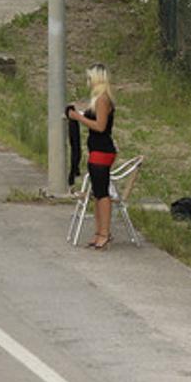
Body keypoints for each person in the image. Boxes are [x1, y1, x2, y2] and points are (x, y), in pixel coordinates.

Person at [67, 64, 117, 250]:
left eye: (90, 78)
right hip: (97, 150)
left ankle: (104, 232)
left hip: (102, 151)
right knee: (97, 192)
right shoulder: (98, 99)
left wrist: (79, 119)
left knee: (102, 193)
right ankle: (99, 231)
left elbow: (100, 126)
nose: (88, 82)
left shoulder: (103, 100)